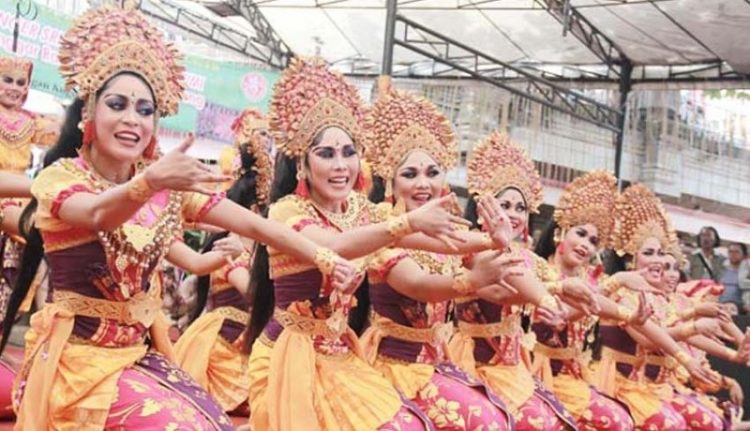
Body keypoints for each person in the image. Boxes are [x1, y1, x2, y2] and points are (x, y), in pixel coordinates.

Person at [1, 6, 359, 430]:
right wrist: (151, 181)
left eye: (145, 110)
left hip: (138, 357)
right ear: (88, 114)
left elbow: (258, 226)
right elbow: (96, 213)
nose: (133, 119)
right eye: (118, 105)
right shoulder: (61, 178)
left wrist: (323, 258)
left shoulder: (166, 192)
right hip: (78, 366)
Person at [244, 57, 468, 431]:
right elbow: (337, 245)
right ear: (302, 164)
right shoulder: (286, 211)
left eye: (349, 152)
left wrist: (493, 240)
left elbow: (444, 239)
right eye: (327, 154)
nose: (340, 165)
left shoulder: (362, 211)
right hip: (290, 357)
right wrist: (409, 221)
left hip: (342, 354)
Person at [362, 87, 519, 430]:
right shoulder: (381, 222)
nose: (423, 184)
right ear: (390, 181)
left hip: (437, 365)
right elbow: (417, 284)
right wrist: (473, 280)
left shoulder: (449, 232)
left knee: (500, 418)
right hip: (394, 366)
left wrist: (501, 244)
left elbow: (489, 265)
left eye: (433, 173)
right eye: (410, 174)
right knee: (484, 422)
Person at [449, 131, 579, 431]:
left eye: (520, 207)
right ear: (483, 210)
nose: (513, 214)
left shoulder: (530, 260)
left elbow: (569, 295)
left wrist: (597, 301)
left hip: (513, 367)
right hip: (476, 363)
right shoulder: (473, 250)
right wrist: (551, 294)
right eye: (504, 205)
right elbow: (503, 288)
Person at [594, 184, 721, 431]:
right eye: (649, 253)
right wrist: (687, 354)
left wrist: (729, 355)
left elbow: (680, 332)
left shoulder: (657, 297)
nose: (658, 261)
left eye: (660, 253)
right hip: (612, 378)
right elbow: (649, 339)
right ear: (631, 258)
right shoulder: (620, 290)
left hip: (641, 381)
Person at [174, 108, 274, 413]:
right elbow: (254, 295)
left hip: (241, 344)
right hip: (224, 349)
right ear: (254, 212)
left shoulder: (250, 251)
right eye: (264, 210)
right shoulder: (231, 249)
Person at [530, 171, 638, 431]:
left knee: (620, 421)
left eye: (593, 241)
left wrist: (631, 316)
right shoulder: (538, 269)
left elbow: (597, 303)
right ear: (560, 233)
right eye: (580, 234)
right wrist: (616, 282)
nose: (586, 245)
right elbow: (565, 309)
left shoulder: (590, 280)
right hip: (536, 370)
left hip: (573, 375)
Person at [719, 242, 750, 312]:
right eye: (730, 252)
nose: (733, 254)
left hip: (741, 310)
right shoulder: (721, 270)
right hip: (720, 307)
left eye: (737, 252)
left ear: (744, 255)